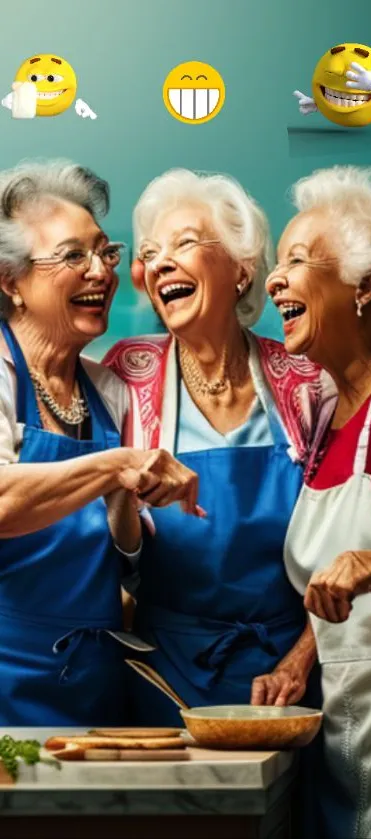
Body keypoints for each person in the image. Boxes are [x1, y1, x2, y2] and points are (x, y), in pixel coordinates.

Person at [103, 168, 334, 724]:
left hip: (288, 674)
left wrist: (302, 658)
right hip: (167, 670)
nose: (159, 263)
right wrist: (123, 493)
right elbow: (113, 554)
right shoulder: (126, 377)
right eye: (151, 252)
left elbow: (346, 549)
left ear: (241, 268)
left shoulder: (307, 383)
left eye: (184, 243)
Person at [0, 159, 200, 726]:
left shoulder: (109, 386)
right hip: (7, 675)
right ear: (9, 281)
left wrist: (128, 502)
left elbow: (125, 561)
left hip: (95, 678)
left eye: (106, 253)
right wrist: (117, 464)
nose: (101, 272)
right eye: (73, 256)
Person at [266, 164, 371, 839]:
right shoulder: (328, 416)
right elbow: (340, 598)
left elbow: (364, 571)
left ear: (364, 287)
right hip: (346, 752)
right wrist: (301, 654)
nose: (271, 280)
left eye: (295, 260)